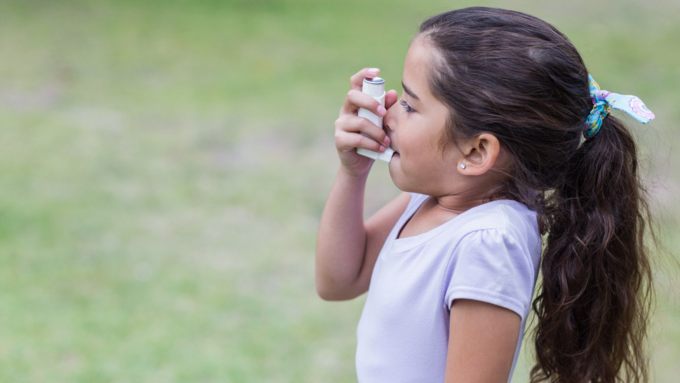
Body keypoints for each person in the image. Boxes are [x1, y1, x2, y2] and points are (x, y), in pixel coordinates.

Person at [315, 7, 656, 383]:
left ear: (476, 152)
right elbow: (337, 281)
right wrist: (353, 172)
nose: (388, 113)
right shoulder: (433, 200)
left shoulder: (488, 242)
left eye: (410, 106)